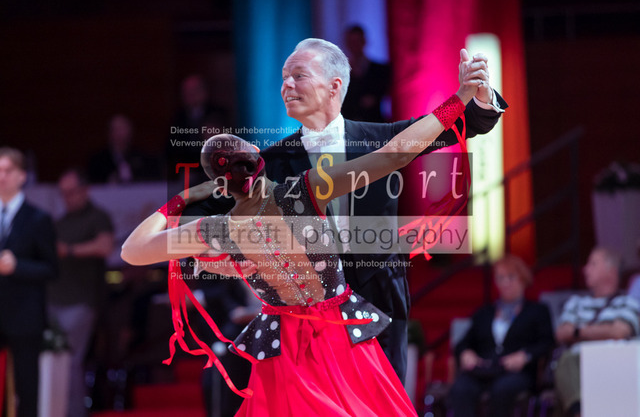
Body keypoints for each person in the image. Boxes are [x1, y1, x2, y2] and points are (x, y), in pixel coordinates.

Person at [120, 52, 483, 415]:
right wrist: (461, 97)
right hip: (340, 338)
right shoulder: (304, 191)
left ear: (220, 185)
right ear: (257, 157)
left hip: (282, 349)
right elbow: (395, 154)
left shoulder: (217, 230)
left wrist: (181, 199)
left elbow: (132, 251)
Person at [201, 37, 507, 384]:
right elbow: (219, 222)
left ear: (334, 86)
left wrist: (478, 93)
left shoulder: (380, 138)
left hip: (380, 291)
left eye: (298, 75)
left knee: (382, 400)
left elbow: (466, 123)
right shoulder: (269, 163)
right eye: (284, 77)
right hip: (307, 307)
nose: (286, 85)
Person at [447, 255, 554, 417]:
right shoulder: (485, 313)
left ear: (523, 279)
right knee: (461, 388)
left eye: (510, 277)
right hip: (483, 369)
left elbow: (547, 342)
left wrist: (525, 356)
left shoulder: (537, 311)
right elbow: (463, 343)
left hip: (516, 372)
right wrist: (466, 353)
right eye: (500, 278)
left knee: (503, 389)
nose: (505, 283)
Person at [48, 168, 114, 417]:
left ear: (85, 190)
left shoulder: (98, 217)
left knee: (70, 360)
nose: (68, 198)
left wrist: (69, 250)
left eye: (72, 192)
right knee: (57, 361)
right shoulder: (59, 222)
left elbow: (105, 246)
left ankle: (73, 412)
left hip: (81, 301)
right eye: (63, 193)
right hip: (53, 300)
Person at [0, 147, 58, 417]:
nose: (1, 176)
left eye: (7, 170)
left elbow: (52, 268)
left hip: (24, 315)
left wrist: (17, 266)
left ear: (22, 176)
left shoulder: (38, 218)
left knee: (27, 387)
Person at [554, 247, 640, 417]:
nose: (585, 269)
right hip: (576, 365)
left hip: (615, 366)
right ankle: (579, 411)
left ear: (611, 271)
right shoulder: (576, 302)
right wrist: (604, 331)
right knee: (567, 360)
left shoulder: (628, 302)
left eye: (593, 264)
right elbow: (561, 333)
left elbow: (620, 332)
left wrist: (577, 331)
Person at [340, 24, 391, 122]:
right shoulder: (340, 71)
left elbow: (378, 97)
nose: (354, 45)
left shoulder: (380, 70)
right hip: (349, 124)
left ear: (364, 42)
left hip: (374, 123)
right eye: (351, 42)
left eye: (357, 41)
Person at [88, 114, 158, 183]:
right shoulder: (98, 161)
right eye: (115, 129)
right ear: (109, 133)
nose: (119, 134)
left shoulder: (142, 158)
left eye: (123, 129)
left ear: (130, 131)